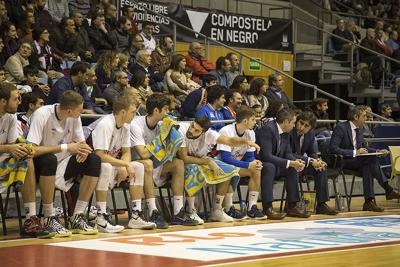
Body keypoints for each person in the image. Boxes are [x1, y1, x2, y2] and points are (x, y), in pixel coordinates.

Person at [27, 91, 101, 235]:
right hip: (40, 164)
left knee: (94, 160)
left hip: (63, 162)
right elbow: (31, 150)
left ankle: (77, 216)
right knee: (50, 159)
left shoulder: (74, 118)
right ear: (69, 111)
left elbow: (80, 143)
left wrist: (84, 151)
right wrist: (66, 147)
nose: (82, 112)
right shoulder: (42, 114)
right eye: (80, 110)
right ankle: (49, 217)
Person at [177, 115, 261, 222]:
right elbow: (184, 158)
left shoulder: (210, 134)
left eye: (196, 130)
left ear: (203, 132)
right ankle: (191, 210)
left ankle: (217, 209)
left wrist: (245, 142)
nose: (192, 130)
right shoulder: (182, 129)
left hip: (201, 160)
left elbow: (229, 141)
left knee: (229, 169)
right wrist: (208, 161)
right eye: (192, 126)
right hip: (184, 162)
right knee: (194, 168)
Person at [91, 95, 156, 232]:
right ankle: (100, 216)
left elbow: (126, 151)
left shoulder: (126, 126)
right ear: (122, 112)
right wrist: (123, 165)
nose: (135, 115)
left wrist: (124, 165)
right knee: (107, 166)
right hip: (93, 168)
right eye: (133, 112)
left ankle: (135, 216)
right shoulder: (105, 124)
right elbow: (99, 155)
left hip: (112, 164)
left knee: (138, 166)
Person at [130, 94, 197, 227]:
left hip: (154, 163)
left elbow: (175, 149)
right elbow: (143, 154)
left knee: (178, 163)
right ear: (156, 110)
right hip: (136, 165)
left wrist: (173, 133)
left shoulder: (162, 125)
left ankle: (178, 212)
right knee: (147, 163)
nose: (168, 112)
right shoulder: (136, 125)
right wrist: (161, 138)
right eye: (166, 109)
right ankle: (153, 211)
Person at [0, 82, 53, 238]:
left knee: (27, 156)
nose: (19, 102)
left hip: (3, 160)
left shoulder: (10, 117)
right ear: (3, 101)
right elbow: (9, 147)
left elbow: (12, 143)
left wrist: (22, 147)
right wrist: (10, 148)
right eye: (16, 99)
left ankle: (30, 220)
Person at [329, 105, 400, 212]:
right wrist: (354, 152)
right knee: (370, 161)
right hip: (343, 161)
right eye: (364, 116)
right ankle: (388, 189)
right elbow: (333, 148)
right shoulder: (341, 127)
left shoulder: (360, 129)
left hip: (359, 162)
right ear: (356, 117)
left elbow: (364, 149)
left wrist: (377, 152)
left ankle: (369, 202)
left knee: (369, 165)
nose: (366, 119)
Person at [256, 108, 310, 218]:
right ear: (286, 122)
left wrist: (294, 161)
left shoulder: (286, 132)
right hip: (261, 164)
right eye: (293, 122)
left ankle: (291, 206)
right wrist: (289, 162)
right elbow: (266, 156)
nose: (295, 126)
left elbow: (288, 152)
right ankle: (267, 208)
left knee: (293, 168)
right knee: (269, 167)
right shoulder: (268, 129)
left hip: (277, 164)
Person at [218, 106, 266, 220]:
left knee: (256, 169)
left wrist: (254, 162)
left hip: (236, 165)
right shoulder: (226, 131)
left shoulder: (251, 133)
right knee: (231, 169)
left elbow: (249, 157)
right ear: (245, 121)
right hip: (220, 165)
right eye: (253, 119)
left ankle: (252, 207)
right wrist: (248, 165)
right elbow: (225, 158)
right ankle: (229, 207)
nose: (255, 122)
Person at [289, 111, 338, 215]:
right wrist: (311, 161)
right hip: (290, 164)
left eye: (306, 126)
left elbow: (312, 152)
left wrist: (317, 160)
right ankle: (291, 206)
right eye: (301, 123)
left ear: (310, 128)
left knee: (321, 168)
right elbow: (288, 153)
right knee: (293, 169)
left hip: (302, 164)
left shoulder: (310, 134)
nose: (301, 127)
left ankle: (321, 204)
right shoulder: (290, 130)